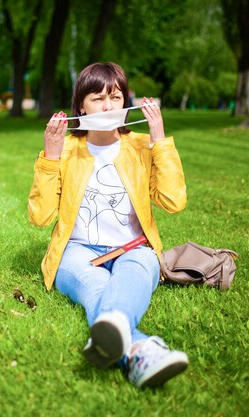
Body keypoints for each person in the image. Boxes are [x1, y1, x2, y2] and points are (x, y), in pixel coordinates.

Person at [28, 62, 188, 388]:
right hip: (76, 253)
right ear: (81, 106)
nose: (107, 106)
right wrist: (51, 158)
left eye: (115, 97)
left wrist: (160, 141)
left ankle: (120, 335)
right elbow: (40, 216)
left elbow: (173, 201)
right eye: (97, 98)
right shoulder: (67, 150)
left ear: (126, 103)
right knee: (97, 288)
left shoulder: (142, 146)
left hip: (135, 249)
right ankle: (140, 349)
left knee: (132, 272)